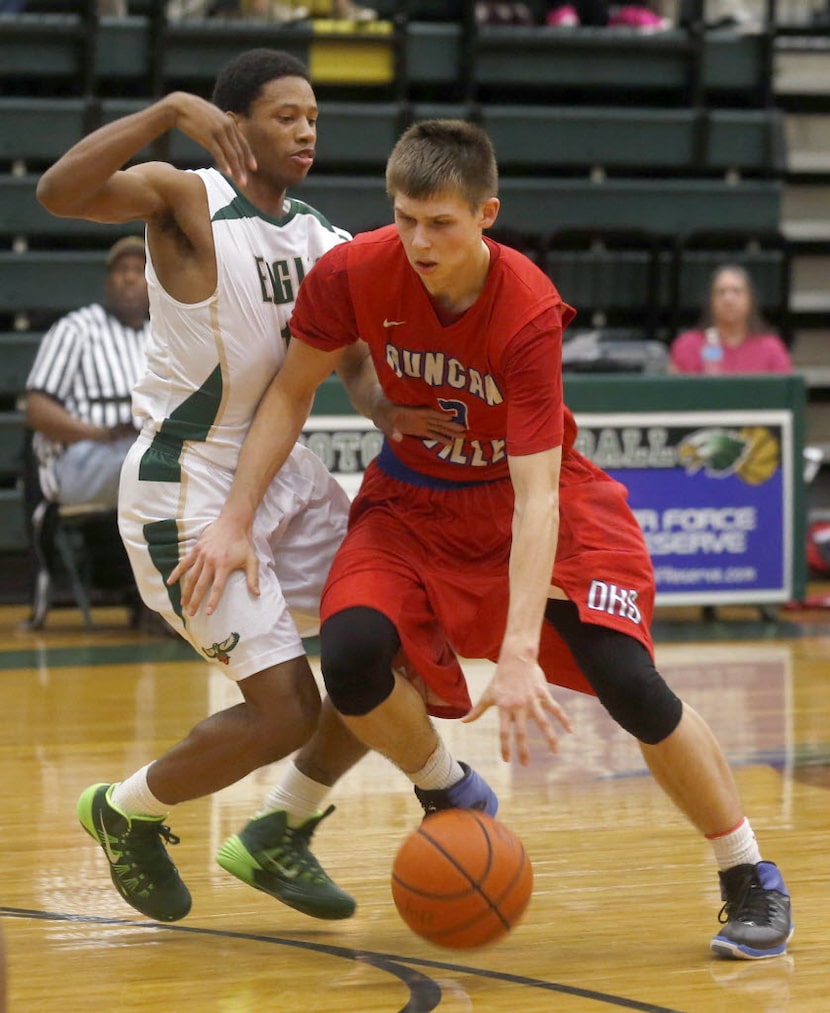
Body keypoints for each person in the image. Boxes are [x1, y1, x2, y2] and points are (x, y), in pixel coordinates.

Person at [174, 119, 794, 961]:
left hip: (533, 504)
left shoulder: (528, 308)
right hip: (413, 501)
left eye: (441, 223)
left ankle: (748, 874)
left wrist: (516, 650)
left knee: (631, 684)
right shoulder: (354, 270)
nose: (419, 241)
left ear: (485, 214)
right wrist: (234, 518)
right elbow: (289, 393)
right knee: (353, 652)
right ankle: (446, 788)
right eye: (404, 218)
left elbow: (537, 497)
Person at [36, 49, 495, 926]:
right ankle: (124, 809)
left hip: (286, 475)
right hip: (189, 483)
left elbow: (355, 360)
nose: (306, 130)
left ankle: (281, 828)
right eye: (286, 115)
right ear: (233, 122)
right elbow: (58, 192)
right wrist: (165, 108)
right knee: (284, 710)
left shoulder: (322, 237)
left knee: (379, 647)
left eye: (314, 116)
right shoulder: (184, 196)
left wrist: (384, 412)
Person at [24, 235, 150, 614]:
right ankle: (156, 600)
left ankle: (160, 598)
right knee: (152, 462)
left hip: (141, 451)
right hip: (81, 460)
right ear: (107, 281)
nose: (129, 278)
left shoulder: (163, 335)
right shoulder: (76, 329)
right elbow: (37, 409)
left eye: (139, 270)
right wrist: (100, 434)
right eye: (120, 270)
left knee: (175, 461)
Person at [669, 264, 793, 376]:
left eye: (737, 291)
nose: (728, 299)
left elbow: (786, 396)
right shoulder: (687, 345)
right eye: (721, 292)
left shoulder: (771, 348)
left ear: (750, 300)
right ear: (711, 301)